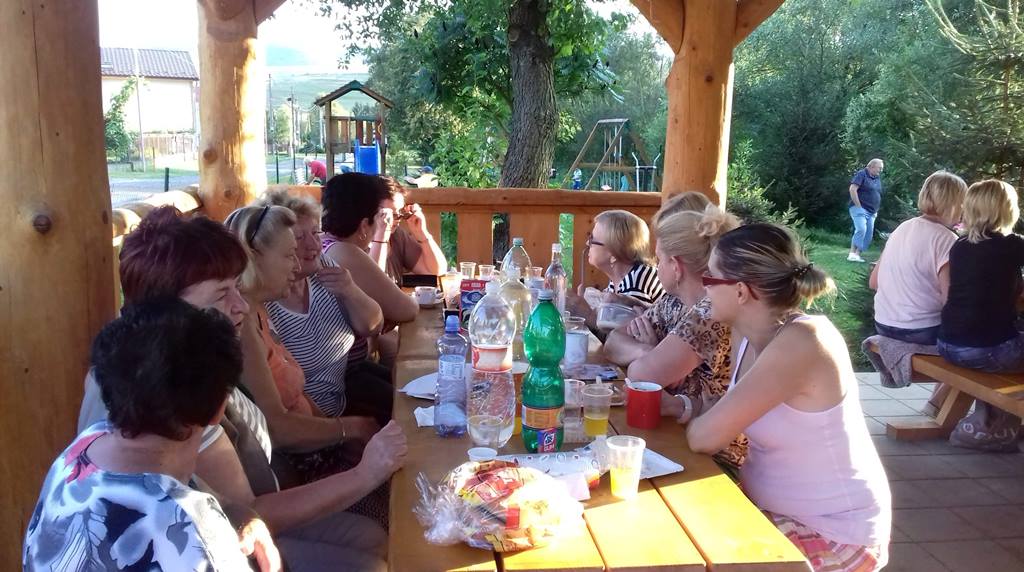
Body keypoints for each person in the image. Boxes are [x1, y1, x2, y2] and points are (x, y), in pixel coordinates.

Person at [77, 207, 406, 571]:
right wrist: (363, 472)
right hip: (214, 537)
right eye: (222, 294)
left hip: (242, 511)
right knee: (375, 561)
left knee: (374, 539)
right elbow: (233, 515)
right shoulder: (168, 393)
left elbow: (225, 502)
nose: (240, 305)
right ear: (169, 308)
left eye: (237, 286)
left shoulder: (169, 362)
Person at [686, 223, 891, 571]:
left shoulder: (804, 341)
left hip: (834, 532)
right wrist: (691, 410)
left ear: (740, 291)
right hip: (775, 512)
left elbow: (703, 437)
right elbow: (724, 413)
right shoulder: (745, 336)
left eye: (711, 278)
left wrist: (697, 417)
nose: (705, 287)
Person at [26, 299, 273, 570]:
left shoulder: (83, 449)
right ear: (218, 409)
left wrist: (248, 520)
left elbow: (204, 493)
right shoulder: (193, 533)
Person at [603, 206, 747, 472]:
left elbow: (642, 377)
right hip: (676, 429)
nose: (655, 267)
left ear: (676, 266)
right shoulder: (673, 301)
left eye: (659, 259)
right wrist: (648, 350)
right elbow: (612, 343)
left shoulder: (709, 312)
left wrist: (646, 358)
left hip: (715, 459)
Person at [256, 190, 392, 427]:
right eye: (299, 237)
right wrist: (343, 432)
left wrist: (350, 290)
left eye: (315, 232)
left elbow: (373, 325)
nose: (313, 245)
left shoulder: (322, 266)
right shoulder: (265, 302)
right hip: (314, 422)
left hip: (345, 394)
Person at [937, 179, 1024, 450]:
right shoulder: (1012, 245)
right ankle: (997, 427)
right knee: (1006, 344)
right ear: (1007, 209)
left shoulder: (961, 246)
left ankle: (996, 423)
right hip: (985, 350)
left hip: (948, 344)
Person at [321, 173, 420, 375]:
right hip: (343, 375)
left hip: (342, 367)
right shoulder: (344, 252)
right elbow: (407, 309)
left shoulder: (325, 243)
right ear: (365, 225)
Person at [870, 171, 966, 344]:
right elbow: (950, 301)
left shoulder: (901, 228)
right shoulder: (947, 239)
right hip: (923, 329)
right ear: (954, 203)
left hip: (883, 323)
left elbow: (874, 282)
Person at [567, 210, 664, 330]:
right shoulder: (620, 278)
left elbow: (622, 334)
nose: (587, 243)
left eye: (592, 240)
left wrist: (584, 311)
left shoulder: (637, 280)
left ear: (614, 254)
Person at [848, 158, 884, 262]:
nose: (881, 170)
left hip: (872, 212)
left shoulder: (876, 178)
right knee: (861, 229)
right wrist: (858, 205)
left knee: (868, 234)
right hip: (860, 209)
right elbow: (852, 189)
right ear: (872, 166)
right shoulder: (862, 174)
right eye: (879, 168)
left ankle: (857, 254)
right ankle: (852, 253)